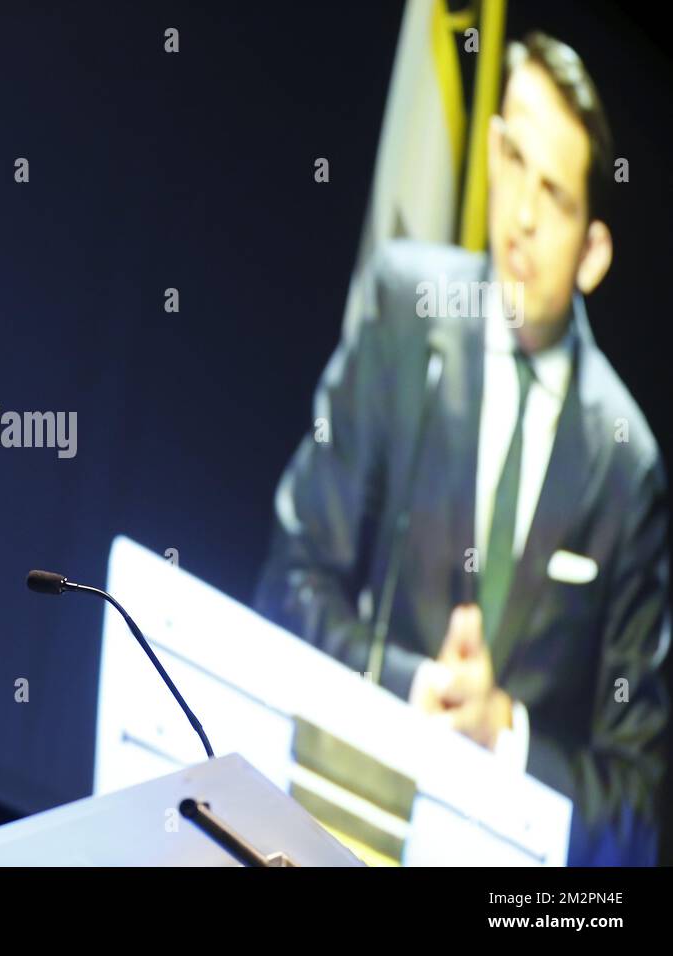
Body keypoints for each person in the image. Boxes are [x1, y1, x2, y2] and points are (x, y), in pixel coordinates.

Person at [254, 32, 669, 865]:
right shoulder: (403, 314)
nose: (517, 214)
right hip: (333, 827)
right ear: (486, 148)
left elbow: (637, 801)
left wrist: (502, 733)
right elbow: (290, 586)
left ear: (593, 251)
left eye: (552, 194)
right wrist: (413, 688)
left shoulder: (628, 465)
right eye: (512, 159)